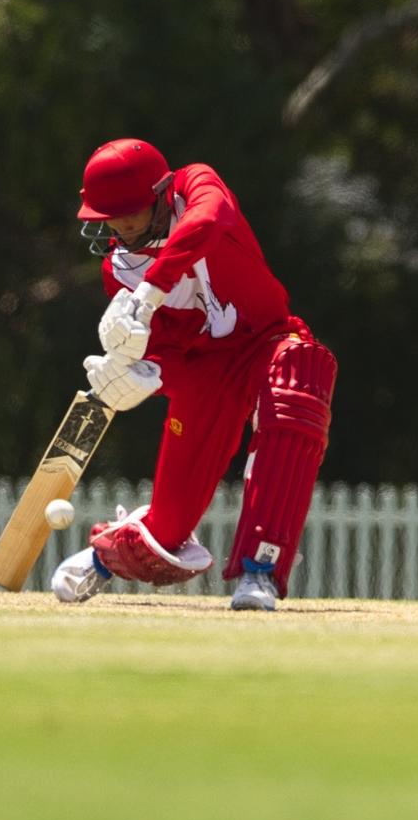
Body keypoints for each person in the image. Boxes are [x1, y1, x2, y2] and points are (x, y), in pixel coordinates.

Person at [51, 138, 337, 610]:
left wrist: (151, 290)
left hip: (267, 339)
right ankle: (109, 555)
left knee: (297, 381)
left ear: (162, 194)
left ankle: (258, 571)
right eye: (108, 217)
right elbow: (171, 353)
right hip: (206, 373)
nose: (118, 227)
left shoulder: (197, 184)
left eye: (129, 213)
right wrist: (143, 375)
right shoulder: (118, 273)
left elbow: (206, 223)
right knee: (168, 535)